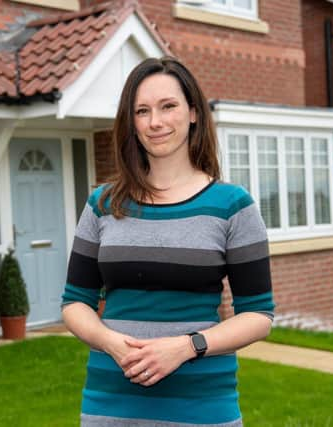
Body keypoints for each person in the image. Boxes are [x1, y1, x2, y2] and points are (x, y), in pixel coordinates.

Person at [61, 56, 274, 427]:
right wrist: (113, 344)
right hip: (111, 400)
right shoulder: (102, 204)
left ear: (193, 113)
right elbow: (74, 304)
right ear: (132, 123)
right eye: (142, 111)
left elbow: (258, 315)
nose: (155, 122)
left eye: (168, 106)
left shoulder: (232, 205)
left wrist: (185, 347)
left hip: (202, 402)